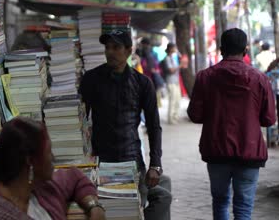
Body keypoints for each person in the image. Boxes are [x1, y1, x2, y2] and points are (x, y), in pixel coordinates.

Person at [79, 29, 172, 220]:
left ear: (129, 50)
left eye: (116, 47)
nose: (111, 52)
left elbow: (154, 126)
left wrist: (155, 164)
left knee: (135, 210)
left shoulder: (142, 83)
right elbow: (81, 121)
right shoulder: (91, 79)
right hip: (101, 162)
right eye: (107, 47)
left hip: (132, 161)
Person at [188, 28, 276, 220]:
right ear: (245, 50)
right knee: (244, 207)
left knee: (220, 202)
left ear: (221, 49)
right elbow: (269, 119)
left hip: (216, 150)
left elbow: (195, 115)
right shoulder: (260, 78)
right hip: (249, 150)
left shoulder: (205, 76)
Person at [0, 117, 106, 220]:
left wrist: (94, 207)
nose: (53, 158)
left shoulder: (41, 188)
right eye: (48, 152)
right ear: (30, 161)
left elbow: (75, 176)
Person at [165, 43, 181, 125]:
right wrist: (179, 66)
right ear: (171, 48)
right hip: (170, 81)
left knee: (177, 100)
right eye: (174, 48)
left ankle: (175, 116)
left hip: (176, 81)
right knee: (172, 100)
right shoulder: (167, 58)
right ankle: (170, 118)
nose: (175, 49)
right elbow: (171, 70)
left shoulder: (173, 57)